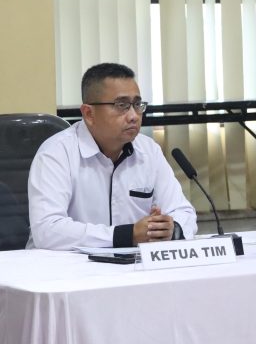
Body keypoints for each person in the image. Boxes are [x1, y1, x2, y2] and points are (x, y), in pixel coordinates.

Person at [27, 63, 197, 250]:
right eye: (122, 105)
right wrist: (126, 235)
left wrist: (170, 229)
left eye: (137, 105)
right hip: (64, 266)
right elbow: (47, 230)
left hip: (131, 264)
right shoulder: (56, 153)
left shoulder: (149, 150)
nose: (133, 116)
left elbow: (183, 212)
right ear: (89, 113)